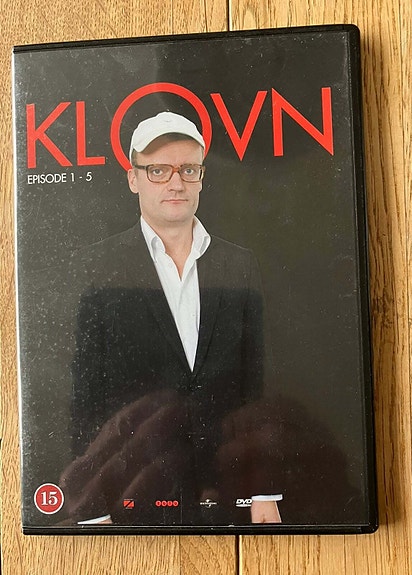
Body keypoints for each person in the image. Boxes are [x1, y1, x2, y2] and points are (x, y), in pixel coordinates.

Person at [60, 112, 283, 526]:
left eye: (188, 169)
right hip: (133, 488)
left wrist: (263, 492)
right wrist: (92, 508)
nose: (175, 183)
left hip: (224, 489)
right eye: (158, 170)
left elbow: (255, 381)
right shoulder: (98, 266)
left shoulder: (239, 263)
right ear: (134, 178)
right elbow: (85, 394)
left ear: (201, 178)